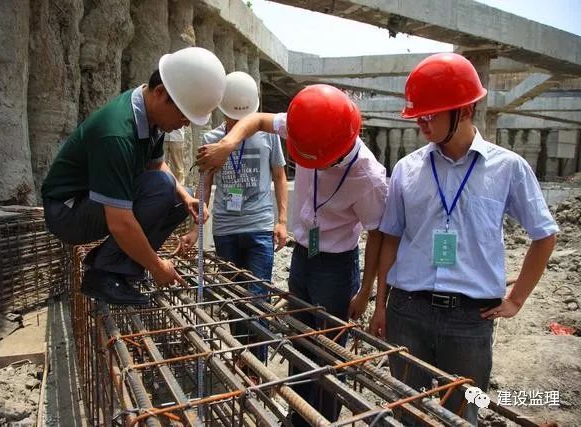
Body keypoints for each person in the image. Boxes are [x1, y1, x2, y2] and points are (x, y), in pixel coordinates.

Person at [368, 53, 558, 424]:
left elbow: (544, 234)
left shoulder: (508, 168)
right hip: (408, 312)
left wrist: (517, 298)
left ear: (466, 110)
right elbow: (390, 238)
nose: (422, 122)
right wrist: (380, 305)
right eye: (418, 114)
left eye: (431, 114)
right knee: (407, 414)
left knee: (461, 416)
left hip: (470, 321)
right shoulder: (407, 170)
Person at [196, 84, 387, 425]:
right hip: (304, 255)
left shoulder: (368, 177)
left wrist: (365, 290)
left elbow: (378, 235)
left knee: (329, 354)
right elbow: (254, 120)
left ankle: (320, 420)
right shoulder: (309, 123)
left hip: (335, 267)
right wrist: (228, 144)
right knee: (299, 340)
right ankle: (297, 416)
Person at [41, 47, 226, 305]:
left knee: (174, 197)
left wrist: (186, 198)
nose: (185, 123)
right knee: (162, 188)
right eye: (184, 114)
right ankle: (104, 275)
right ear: (160, 93)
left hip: (91, 203)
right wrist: (158, 267)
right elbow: (120, 222)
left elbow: (156, 166)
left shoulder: (152, 119)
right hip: (68, 212)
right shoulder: (117, 133)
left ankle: (118, 269)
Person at [175, 71, 288, 362]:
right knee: (234, 299)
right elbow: (205, 181)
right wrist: (194, 229)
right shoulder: (213, 138)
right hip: (226, 229)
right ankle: (241, 359)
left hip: (260, 226)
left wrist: (282, 221)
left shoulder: (268, 135)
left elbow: (278, 174)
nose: (238, 123)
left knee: (257, 298)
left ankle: (257, 364)